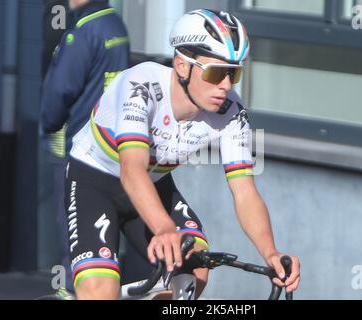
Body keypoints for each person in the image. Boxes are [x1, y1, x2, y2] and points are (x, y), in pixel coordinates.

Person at [65, 9, 301, 300]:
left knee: (195, 268)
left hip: (153, 185)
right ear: (181, 66)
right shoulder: (141, 85)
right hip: (95, 183)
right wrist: (164, 227)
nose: (226, 85)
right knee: (100, 291)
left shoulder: (232, 112)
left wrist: (270, 252)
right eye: (216, 72)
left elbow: (245, 191)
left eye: (233, 72)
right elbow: (131, 169)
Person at [40, 0, 130, 295]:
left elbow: (59, 92)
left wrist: (48, 122)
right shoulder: (116, 25)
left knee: (73, 219)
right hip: (114, 144)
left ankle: (71, 288)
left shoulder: (82, 31)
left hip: (78, 144)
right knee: (104, 223)